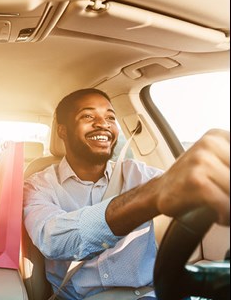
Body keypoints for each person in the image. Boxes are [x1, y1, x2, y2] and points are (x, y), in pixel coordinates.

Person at [23, 88, 230, 299]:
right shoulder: (38, 186)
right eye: (87, 116)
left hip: (154, 294)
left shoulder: (139, 173)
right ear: (62, 131)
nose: (103, 124)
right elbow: (52, 240)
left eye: (110, 117)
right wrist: (150, 197)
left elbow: (184, 186)